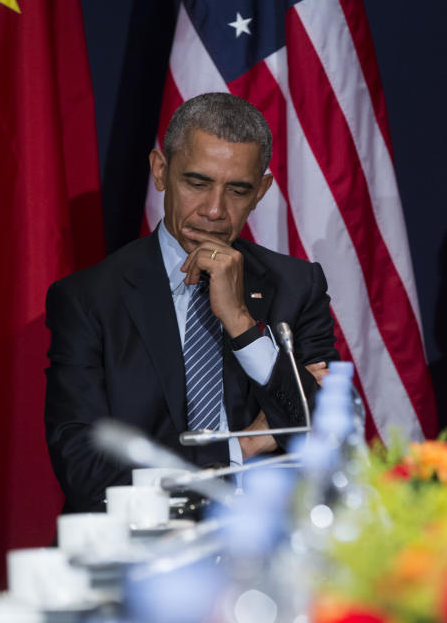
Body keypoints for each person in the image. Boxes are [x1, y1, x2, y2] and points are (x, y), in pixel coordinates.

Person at [45, 93, 339, 513]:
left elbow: (327, 437)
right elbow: (87, 472)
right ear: (161, 170)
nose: (215, 211)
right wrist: (244, 448)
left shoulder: (296, 286)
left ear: (262, 190)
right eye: (197, 183)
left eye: (237, 190)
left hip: (272, 543)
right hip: (138, 553)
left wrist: (241, 323)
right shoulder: (89, 299)